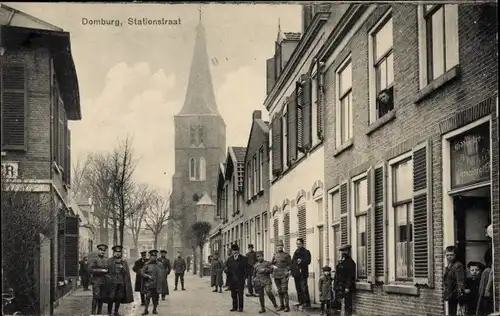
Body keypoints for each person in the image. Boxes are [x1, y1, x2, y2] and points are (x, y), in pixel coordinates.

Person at [106, 245, 134, 316]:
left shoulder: (124, 261)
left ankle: (116, 312)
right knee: (111, 297)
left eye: (119, 252)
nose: (118, 253)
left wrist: (122, 268)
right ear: (114, 252)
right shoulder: (109, 261)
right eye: (116, 252)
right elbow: (106, 271)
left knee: (119, 297)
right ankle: (109, 312)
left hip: (121, 282)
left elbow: (126, 273)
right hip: (112, 283)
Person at [332, 245, 356, 316]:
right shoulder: (340, 262)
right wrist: (334, 284)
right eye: (342, 251)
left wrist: (347, 287)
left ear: (348, 252)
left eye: (344, 251)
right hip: (339, 286)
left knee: (347, 303)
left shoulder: (350, 262)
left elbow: (350, 276)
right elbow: (337, 274)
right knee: (337, 302)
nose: (342, 253)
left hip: (345, 285)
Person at [141, 249, 165, 315]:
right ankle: (146, 310)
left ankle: (154, 309)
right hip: (149, 284)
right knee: (147, 297)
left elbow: (163, 273)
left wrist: (162, 281)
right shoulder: (147, 264)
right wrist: (148, 276)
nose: (154, 257)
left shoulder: (160, 264)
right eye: (152, 256)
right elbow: (142, 272)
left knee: (156, 298)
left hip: (157, 284)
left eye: (155, 256)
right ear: (150, 256)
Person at [225, 243, 248, 312]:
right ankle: (234, 307)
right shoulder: (229, 259)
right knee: (233, 294)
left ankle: (240, 307)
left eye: (236, 250)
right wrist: (226, 271)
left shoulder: (244, 258)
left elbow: (247, 269)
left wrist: (245, 277)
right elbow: (227, 268)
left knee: (240, 294)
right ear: (232, 251)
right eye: (234, 250)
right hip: (232, 280)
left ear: (239, 250)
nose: (235, 251)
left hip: (240, 279)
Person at [477, 224, 494, 316]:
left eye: (487, 233)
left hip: (490, 273)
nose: (486, 236)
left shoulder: (493, 247)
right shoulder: (490, 246)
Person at [443, 245, 465, 316]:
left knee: (454, 313)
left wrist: (460, 294)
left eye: (451, 255)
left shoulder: (458, 265)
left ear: (455, 255)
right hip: (450, 294)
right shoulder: (450, 265)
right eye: (447, 255)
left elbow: (460, 281)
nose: (449, 257)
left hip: (455, 294)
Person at [271, 240, 292, 312]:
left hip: (284, 275)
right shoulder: (274, 255)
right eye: (278, 246)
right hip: (276, 275)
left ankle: (287, 306)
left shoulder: (286, 255)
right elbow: (271, 264)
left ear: (283, 246)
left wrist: (287, 271)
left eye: (281, 246)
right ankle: (281, 305)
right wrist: (273, 266)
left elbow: (290, 265)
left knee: (284, 291)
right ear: (276, 247)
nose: (279, 247)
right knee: (279, 291)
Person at [292, 238, 312, 308]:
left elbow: (309, 261)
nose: (298, 245)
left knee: (304, 288)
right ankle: (300, 302)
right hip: (296, 273)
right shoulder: (296, 252)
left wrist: (302, 261)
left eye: (299, 244)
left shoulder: (306, 252)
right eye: (297, 244)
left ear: (302, 244)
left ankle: (307, 302)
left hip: (303, 273)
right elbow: (293, 261)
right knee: (298, 288)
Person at [90, 244, 109, 315]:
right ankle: (93, 313)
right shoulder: (94, 259)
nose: (102, 252)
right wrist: (102, 271)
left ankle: (99, 313)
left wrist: (106, 271)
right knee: (96, 297)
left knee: (102, 297)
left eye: (104, 250)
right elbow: (91, 269)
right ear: (98, 250)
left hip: (104, 281)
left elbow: (108, 269)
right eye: (101, 250)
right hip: (96, 281)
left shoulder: (106, 259)